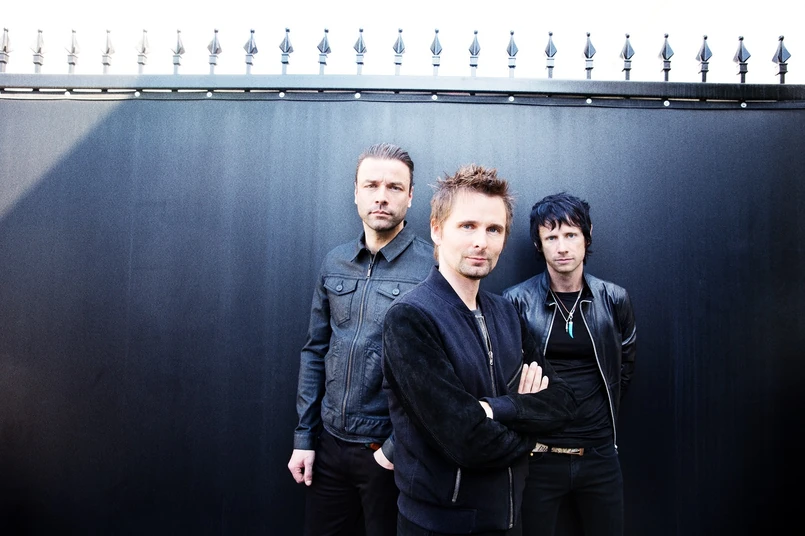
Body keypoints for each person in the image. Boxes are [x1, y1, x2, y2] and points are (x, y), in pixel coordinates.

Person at [382, 165, 578, 536]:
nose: (481, 242)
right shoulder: (410, 318)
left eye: (493, 229)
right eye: (467, 226)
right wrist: (531, 428)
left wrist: (495, 409)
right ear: (437, 230)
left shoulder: (507, 312)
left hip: (508, 521)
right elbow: (467, 440)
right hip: (439, 526)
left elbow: (564, 403)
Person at [287, 143, 433, 536]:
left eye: (394, 187)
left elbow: (439, 374)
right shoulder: (335, 262)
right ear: (356, 193)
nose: (381, 196)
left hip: (390, 453)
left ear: (410, 196)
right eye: (371, 185)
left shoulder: (432, 268)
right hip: (329, 446)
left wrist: (394, 448)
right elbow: (315, 352)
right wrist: (305, 437)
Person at [502, 192, 637, 536]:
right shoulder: (516, 301)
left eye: (571, 234)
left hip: (599, 454)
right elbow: (506, 375)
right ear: (539, 244)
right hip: (539, 455)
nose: (562, 247)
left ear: (587, 236)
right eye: (551, 237)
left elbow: (624, 368)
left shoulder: (613, 299)